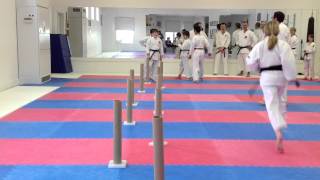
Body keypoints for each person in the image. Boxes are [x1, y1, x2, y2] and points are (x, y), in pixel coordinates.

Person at [246, 21, 299, 154]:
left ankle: (278, 130)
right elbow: (289, 63)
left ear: (264, 31)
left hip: (267, 77)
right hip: (281, 77)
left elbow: (250, 62)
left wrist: (257, 67)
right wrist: (291, 77)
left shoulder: (260, 45)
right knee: (281, 103)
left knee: (271, 105)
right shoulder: (284, 45)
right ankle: (280, 128)